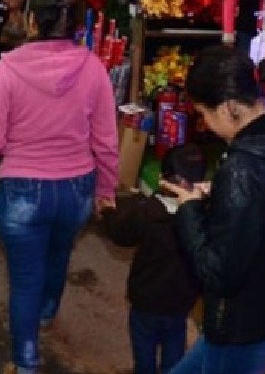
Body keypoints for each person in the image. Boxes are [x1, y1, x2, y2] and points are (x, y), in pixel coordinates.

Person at [0, 0, 119, 374]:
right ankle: (48, 311)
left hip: (22, 192)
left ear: (32, 22)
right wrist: (106, 189)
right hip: (76, 190)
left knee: (25, 280)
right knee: (59, 253)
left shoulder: (7, 70)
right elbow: (106, 141)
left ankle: (26, 363)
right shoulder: (93, 68)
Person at [160, 46, 265, 374]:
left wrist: (189, 209)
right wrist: (223, 197)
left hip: (243, 330)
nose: (206, 126)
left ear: (229, 108)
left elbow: (217, 271)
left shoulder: (244, 168)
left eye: (205, 115)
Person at [100, 146, 204, 374]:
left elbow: (121, 233)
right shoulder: (203, 218)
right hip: (180, 301)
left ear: (161, 178)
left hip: (146, 299)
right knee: (175, 341)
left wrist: (107, 211)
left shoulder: (147, 212)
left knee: (144, 344)